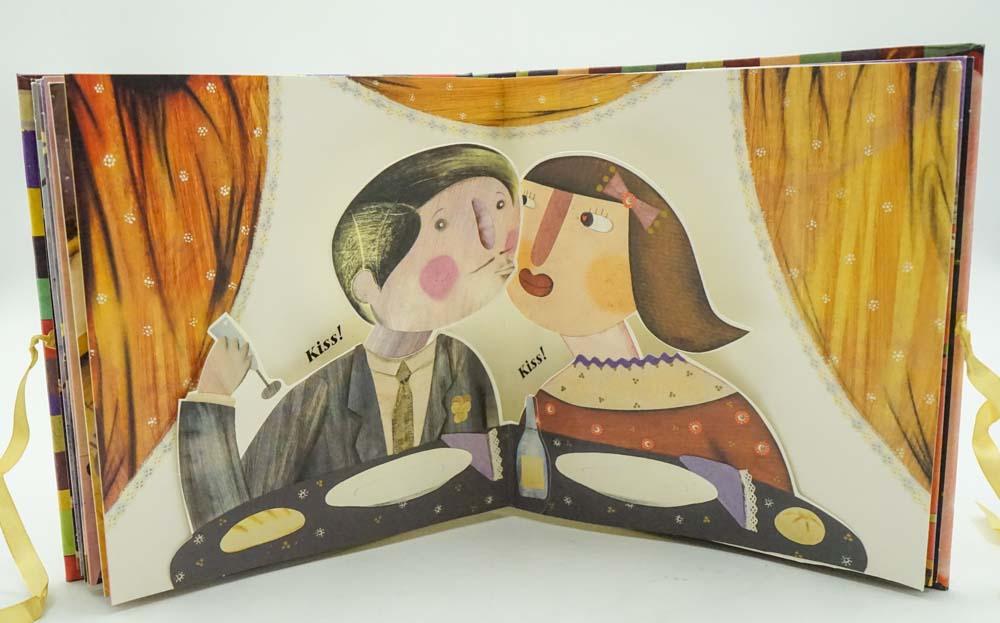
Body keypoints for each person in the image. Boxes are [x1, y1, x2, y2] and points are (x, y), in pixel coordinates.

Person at [507, 155, 861, 557]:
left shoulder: (711, 405)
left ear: (649, 262)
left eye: (590, 222)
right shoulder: (547, 402)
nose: (538, 254)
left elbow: (780, 521)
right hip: (575, 553)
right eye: (527, 206)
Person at [178, 144, 519, 528]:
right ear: (367, 284)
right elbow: (230, 529)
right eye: (441, 226)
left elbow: (489, 482)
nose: (486, 241)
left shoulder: (464, 366)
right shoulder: (321, 394)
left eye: (497, 209)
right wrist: (213, 393)